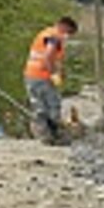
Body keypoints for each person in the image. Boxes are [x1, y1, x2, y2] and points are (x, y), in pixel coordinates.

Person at [23, 17, 78, 145]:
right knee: (52, 106)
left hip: (31, 75)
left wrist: (60, 70)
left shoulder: (46, 33)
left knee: (39, 106)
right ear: (64, 26)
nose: (67, 36)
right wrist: (54, 74)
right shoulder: (54, 37)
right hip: (42, 76)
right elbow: (48, 56)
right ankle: (53, 136)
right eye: (69, 33)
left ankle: (45, 136)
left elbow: (54, 58)